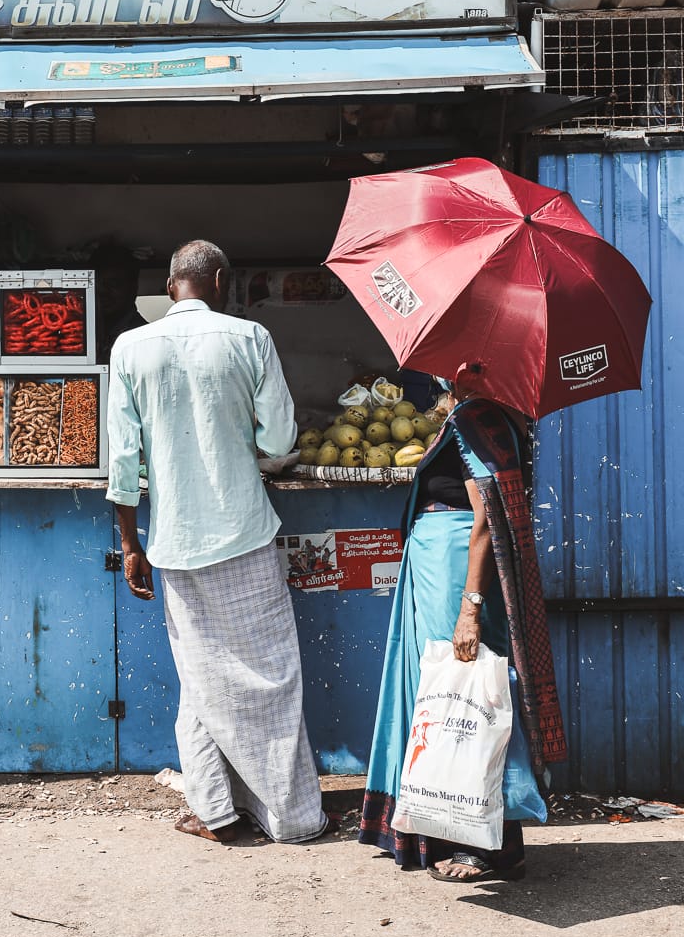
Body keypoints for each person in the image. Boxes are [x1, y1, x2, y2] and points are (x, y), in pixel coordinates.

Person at [106, 239, 334, 844]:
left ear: (170, 284)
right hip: (243, 534)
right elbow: (280, 435)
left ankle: (216, 813)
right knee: (272, 676)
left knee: (200, 677)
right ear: (220, 280)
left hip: (174, 543)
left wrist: (131, 546)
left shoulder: (130, 347)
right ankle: (291, 817)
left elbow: (122, 465)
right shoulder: (249, 338)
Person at [359, 370, 567, 881]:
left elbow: (483, 519)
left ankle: (484, 843)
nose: (441, 373)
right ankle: (446, 833)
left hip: (455, 569)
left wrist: (469, 607)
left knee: (462, 701)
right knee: (443, 698)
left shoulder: (479, 419)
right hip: (437, 566)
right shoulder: (479, 418)